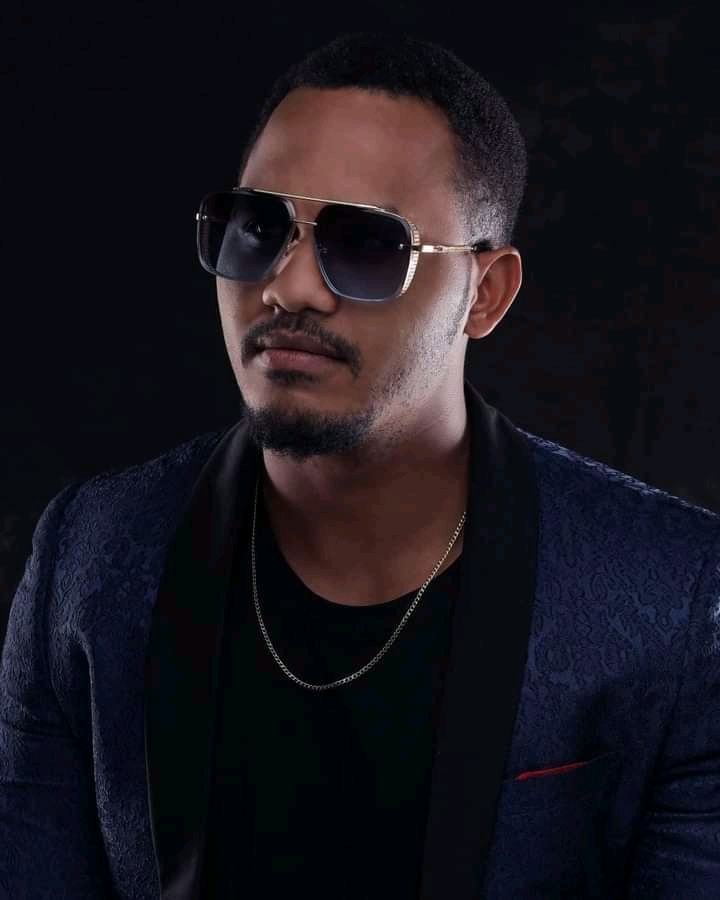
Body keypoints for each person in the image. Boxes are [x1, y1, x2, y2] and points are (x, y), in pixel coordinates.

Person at [1, 31, 719, 900]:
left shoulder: (678, 599)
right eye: (258, 228)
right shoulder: (89, 558)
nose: (289, 287)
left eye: (367, 245)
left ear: (485, 294)